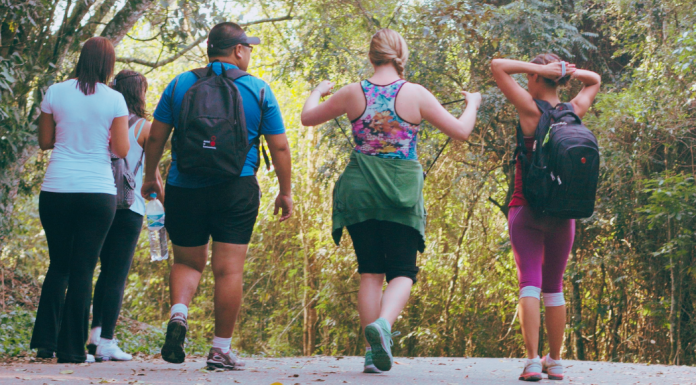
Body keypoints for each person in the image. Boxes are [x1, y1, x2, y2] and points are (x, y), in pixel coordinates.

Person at [301, 28, 481, 374]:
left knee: (370, 270)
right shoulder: (415, 94)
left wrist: (318, 92)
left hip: (359, 191)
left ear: (371, 56)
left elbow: (308, 117)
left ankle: (372, 353)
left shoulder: (352, 93)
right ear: (402, 55)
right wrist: (472, 103)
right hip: (401, 192)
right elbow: (461, 131)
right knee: (402, 269)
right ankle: (384, 325)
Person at [142, 22, 293, 370]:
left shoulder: (180, 84)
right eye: (249, 48)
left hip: (184, 186)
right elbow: (280, 146)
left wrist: (151, 177)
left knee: (186, 262)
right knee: (228, 271)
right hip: (236, 189)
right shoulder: (258, 90)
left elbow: (155, 137)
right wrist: (285, 192)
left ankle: (179, 315)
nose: (250, 54)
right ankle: (219, 350)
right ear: (238, 50)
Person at [490, 54, 601, 381]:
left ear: (539, 78)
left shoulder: (529, 109)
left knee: (530, 284)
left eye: (533, 75)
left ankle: (532, 361)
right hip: (564, 213)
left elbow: (497, 67)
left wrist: (539, 68)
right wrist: (568, 71)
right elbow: (594, 80)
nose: (528, 80)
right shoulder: (573, 110)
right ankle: (556, 361)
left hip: (527, 208)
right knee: (554, 288)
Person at [30, 36, 130, 364]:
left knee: (59, 265)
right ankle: (72, 350)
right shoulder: (115, 99)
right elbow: (121, 150)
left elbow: (45, 141)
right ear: (108, 65)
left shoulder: (56, 92)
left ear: (80, 58)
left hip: (57, 188)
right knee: (84, 269)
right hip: (97, 191)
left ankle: (46, 343)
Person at [86, 70, 157, 362]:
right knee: (115, 275)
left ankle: (92, 339)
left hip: (98, 200)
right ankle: (107, 341)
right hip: (130, 207)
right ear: (139, 93)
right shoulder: (145, 128)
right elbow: (154, 175)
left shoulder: (103, 122)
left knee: (91, 271)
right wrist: (165, 207)